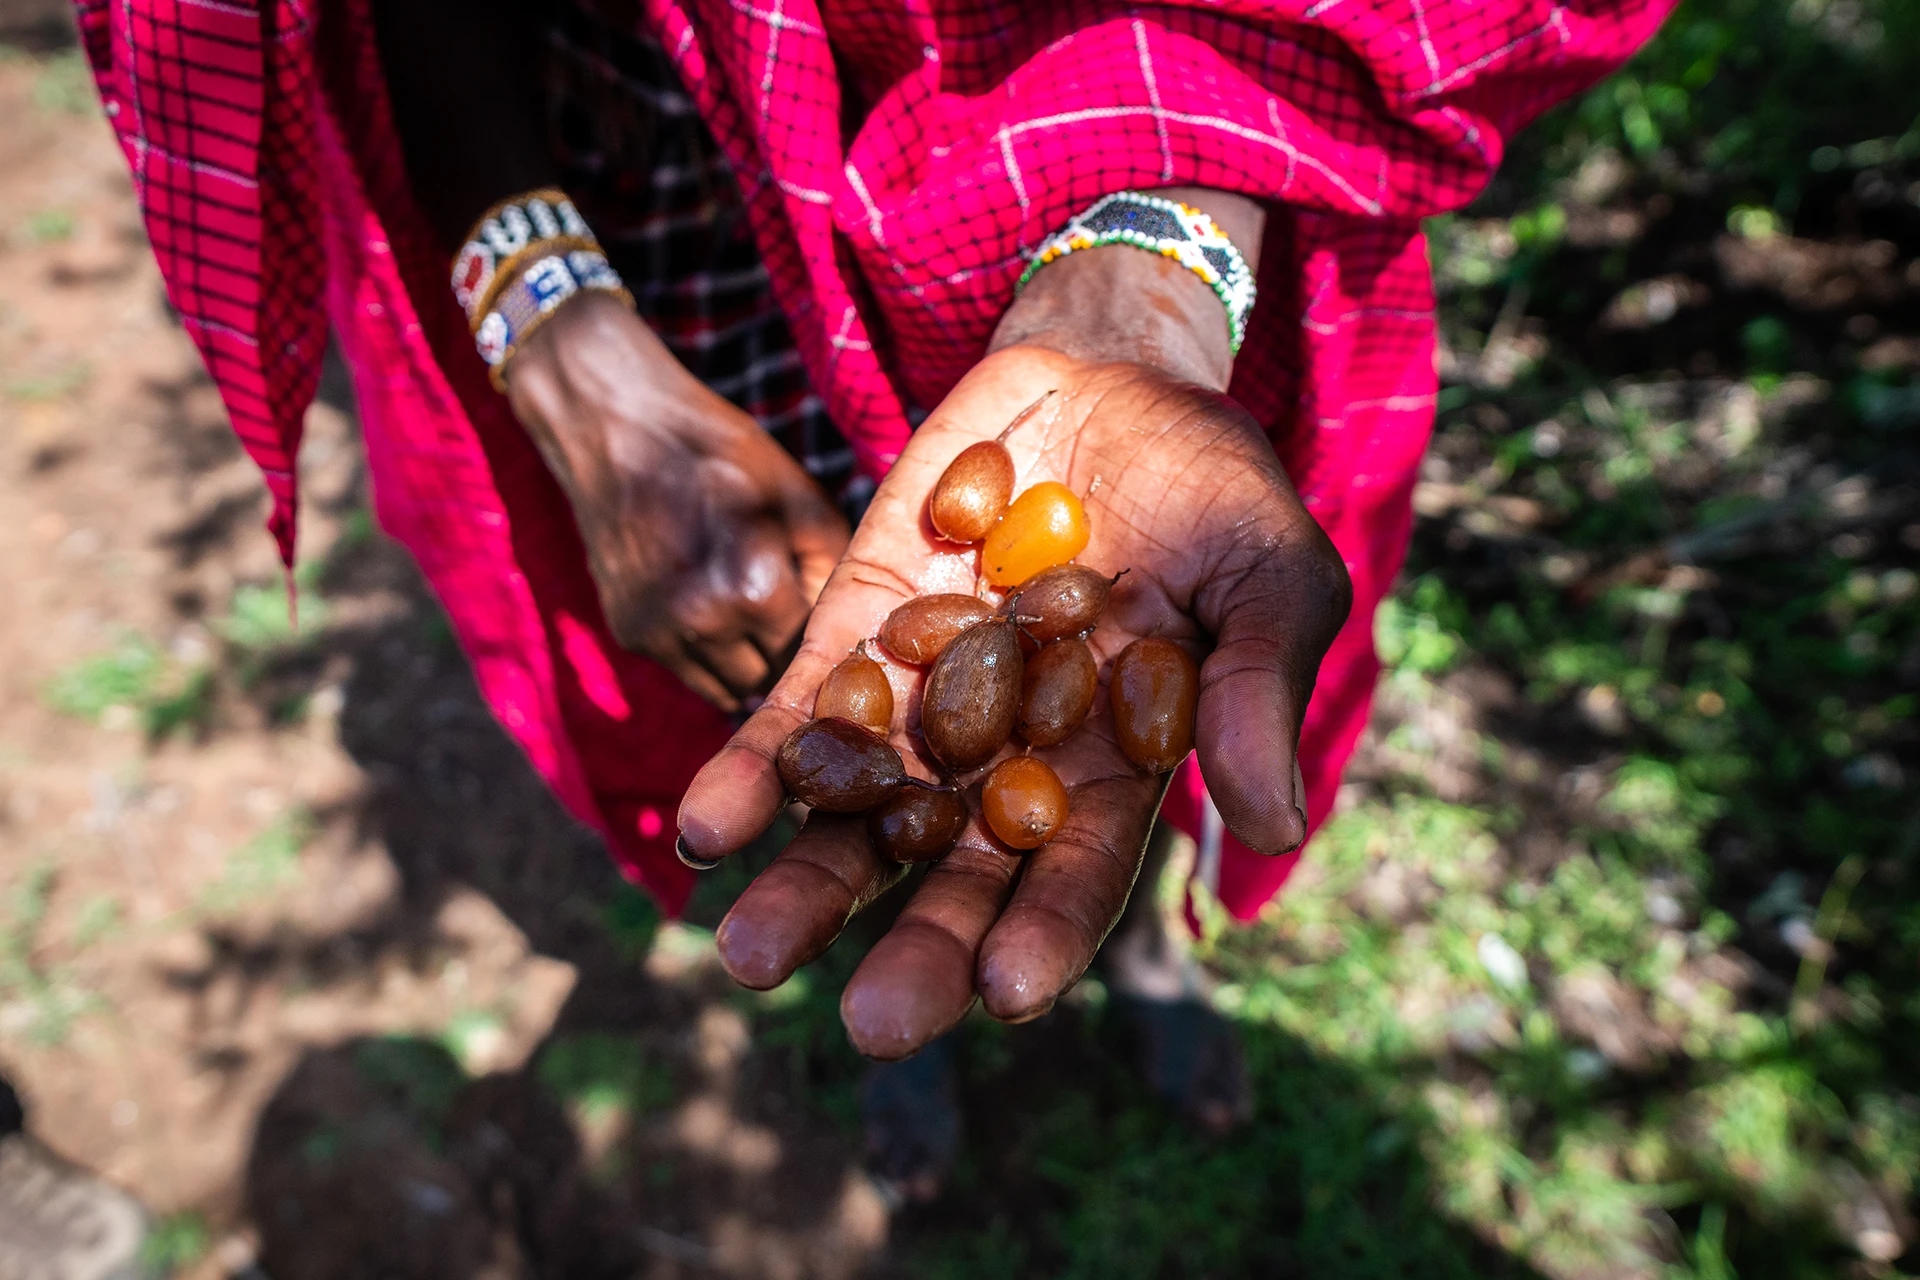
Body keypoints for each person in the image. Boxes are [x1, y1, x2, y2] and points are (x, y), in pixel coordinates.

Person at [72, 0, 1671, 1200]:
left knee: (1170, 607)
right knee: (798, 663)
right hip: (638, 162)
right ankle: (896, 983)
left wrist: (1153, 256)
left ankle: (1148, 953)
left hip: (1102, 158)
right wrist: (558, 335)